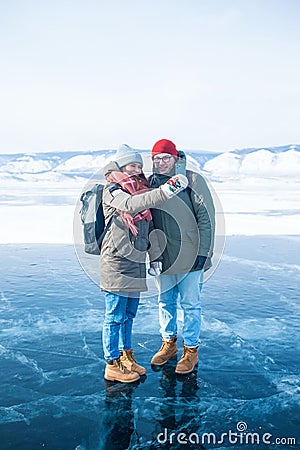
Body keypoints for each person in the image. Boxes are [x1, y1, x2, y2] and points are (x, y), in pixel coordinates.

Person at [100, 144, 188, 383]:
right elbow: (129, 206)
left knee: (129, 315)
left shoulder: (141, 193)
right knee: (114, 316)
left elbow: (148, 231)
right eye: (132, 165)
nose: (137, 170)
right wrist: (165, 192)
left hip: (136, 264)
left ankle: (127, 357)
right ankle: (112, 362)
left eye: (139, 165)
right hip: (117, 263)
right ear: (121, 166)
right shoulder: (113, 190)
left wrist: (156, 257)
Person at [149, 139, 215, 375]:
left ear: (175, 158)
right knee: (165, 302)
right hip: (164, 257)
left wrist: (204, 253)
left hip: (190, 254)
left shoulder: (192, 180)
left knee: (190, 304)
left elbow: (206, 218)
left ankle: (191, 350)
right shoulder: (151, 184)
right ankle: (169, 344)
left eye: (165, 157)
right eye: (156, 158)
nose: (161, 162)